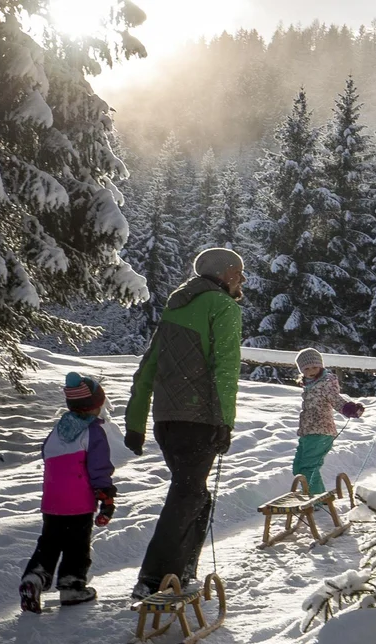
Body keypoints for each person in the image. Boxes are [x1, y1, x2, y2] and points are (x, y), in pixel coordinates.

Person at [124, 248, 245, 598]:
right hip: (199, 420)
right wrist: (225, 421)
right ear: (225, 274)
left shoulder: (175, 307)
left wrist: (136, 422)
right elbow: (226, 369)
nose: (242, 280)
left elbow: (147, 367)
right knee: (188, 493)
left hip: (167, 422)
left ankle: (181, 571)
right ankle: (154, 578)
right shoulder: (223, 307)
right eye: (239, 272)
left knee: (195, 493)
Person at [20, 373, 118, 613]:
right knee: (77, 546)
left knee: (49, 543)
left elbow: (46, 454)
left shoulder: (58, 430)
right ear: (96, 405)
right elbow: (98, 468)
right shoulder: (93, 433)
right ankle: (72, 587)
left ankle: (33, 579)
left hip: (52, 501)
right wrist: (105, 496)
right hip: (79, 502)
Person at [292, 348, 363, 495]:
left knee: (309, 467)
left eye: (315, 367)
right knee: (299, 466)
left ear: (321, 366)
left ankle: (313, 498)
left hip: (321, 431)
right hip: (308, 432)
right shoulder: (309, 384)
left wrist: (349, 409)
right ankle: (318, 496)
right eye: (307, 368)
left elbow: (335, 399)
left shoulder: (326, 383)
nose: (311, 371)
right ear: (301, 370)